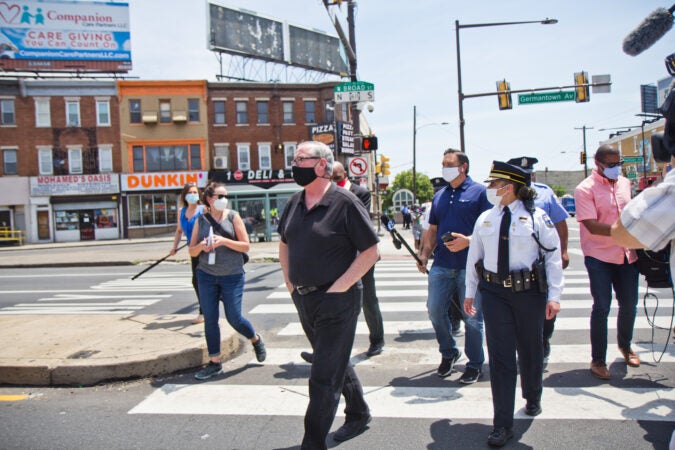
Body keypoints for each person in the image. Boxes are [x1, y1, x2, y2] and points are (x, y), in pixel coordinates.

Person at [278, 141, 379, 449]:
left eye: (300, 159)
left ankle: (312, 442)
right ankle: (359, 412)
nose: (294, 164)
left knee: (323, 376)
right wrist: (289, 282)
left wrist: (340, 287)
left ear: (321, 165)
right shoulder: (295, 201)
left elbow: (371, 251)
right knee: (333, 361)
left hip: (337, 301)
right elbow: (284, 242)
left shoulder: (345, 202)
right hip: (304, 299)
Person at [464, 161, 563, 447]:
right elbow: (475, 258)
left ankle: (533, 396)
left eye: (493, 184)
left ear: (509, 187)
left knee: (530, 349)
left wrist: (554, 296)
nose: (489, 189)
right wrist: (471, 292)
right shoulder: (485, 218)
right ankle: (502, 424)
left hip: (529, 293)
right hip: (494, 294)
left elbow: (553, 258)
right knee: (501, 358)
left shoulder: (537, 218)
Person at [417, 148, 491, 384]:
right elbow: (433, 229)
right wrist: (424, 253)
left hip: (470, 267)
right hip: (442, 265)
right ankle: (449, 352)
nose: (444, 167)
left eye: (449, 163)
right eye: (443, 163)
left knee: (472, 318)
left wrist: (468, 240)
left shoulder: (480, 192)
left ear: (463, 167)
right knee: (435, 310)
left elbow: (490, 228)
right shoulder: (440, 196)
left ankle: (475, 363)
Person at [188, 182, 266, 380]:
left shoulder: (233, 216)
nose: (223, 199)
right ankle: (215, 362)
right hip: (206, 275)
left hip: (232, 276)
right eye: (219, 196)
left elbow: (245, 246)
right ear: (209, 198)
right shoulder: (201, 220)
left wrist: (223, 241)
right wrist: (202, 247)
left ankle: (255, 339)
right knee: (210, 319)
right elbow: (191, 250)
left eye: (225, 196)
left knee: (234, 317)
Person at [574, 144, 639, 380]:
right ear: (598, 163)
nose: (616, 168)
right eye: (611, 165)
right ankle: (598, 359)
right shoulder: (584, 189)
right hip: (599, 256)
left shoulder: (624, 183)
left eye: (618, 163)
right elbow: (590, 224)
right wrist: (622, 233)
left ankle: (626, 346)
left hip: (627, 254)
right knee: (602, 307)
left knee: (629, 304)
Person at [507, 156, 570, 361]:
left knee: (545, 307)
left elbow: (560, 222)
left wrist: (564, 251)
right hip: (513, 262)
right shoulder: (504, 194)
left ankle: (543, 340)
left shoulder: (544, 192)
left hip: (540, 262)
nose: (527, 175)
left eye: (529, 172)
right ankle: (524, 347)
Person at [170, 182, 206, 325]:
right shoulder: (182, 211)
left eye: (195, 192)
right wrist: (175, 247)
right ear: (185, 196)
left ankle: (204, 312)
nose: (193, 195)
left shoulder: (204, 209)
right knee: (196, 281)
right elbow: (179, 231)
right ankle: (206, 308)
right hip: (193, 251)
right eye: (190, 192)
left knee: (199, 280)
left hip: (204, 249)